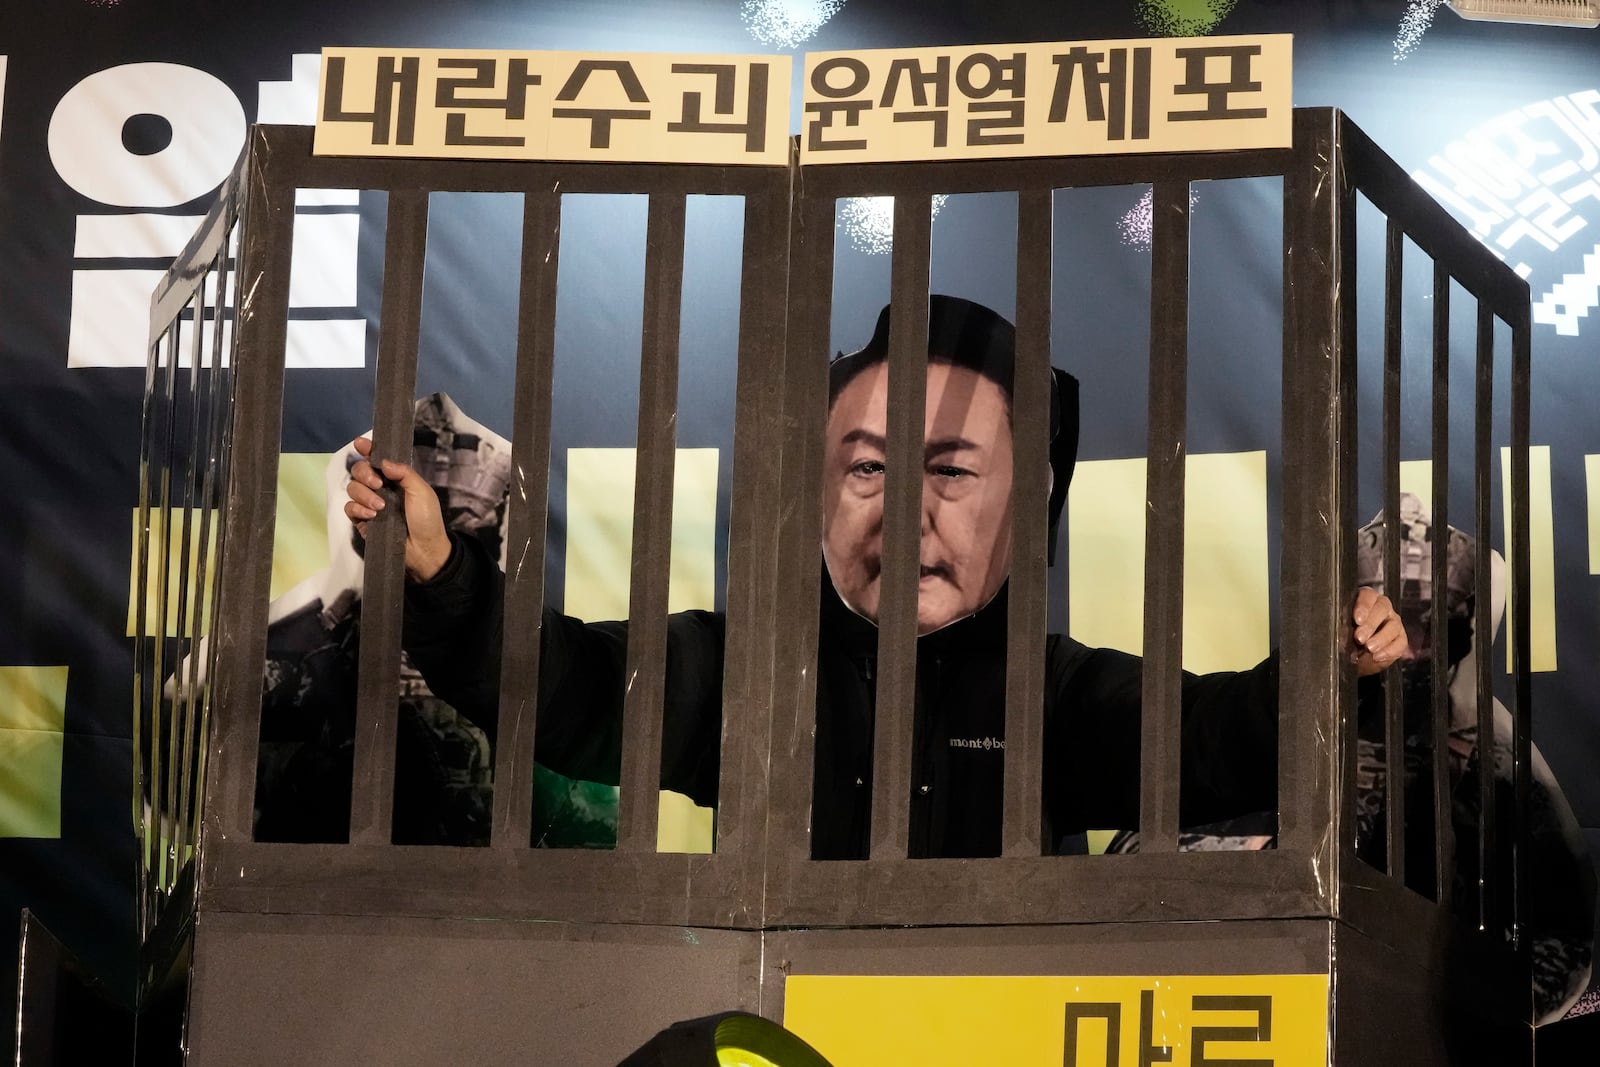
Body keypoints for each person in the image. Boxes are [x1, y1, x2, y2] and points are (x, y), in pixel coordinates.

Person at [344, 296, 1406, 859]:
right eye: (865, 467)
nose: (902, 510)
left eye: (948, 471)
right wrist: (441, 571)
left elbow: (1216, 739)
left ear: (1025, 501)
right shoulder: (743, 669)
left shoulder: (1060, 696)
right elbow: (558, 684)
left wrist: (1338, 675)